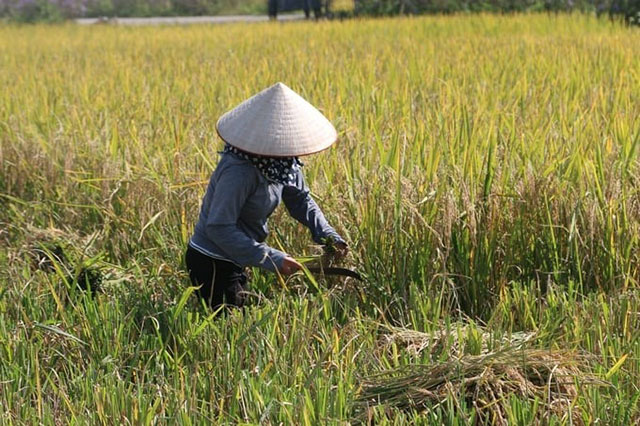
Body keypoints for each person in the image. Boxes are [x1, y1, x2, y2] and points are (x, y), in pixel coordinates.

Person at [185, 82, 348, 311]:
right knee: (230, 327)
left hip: (237, 257)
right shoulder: (239, 171)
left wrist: (328, 236)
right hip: (212, 260)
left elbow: (300, 200)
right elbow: (219, 227)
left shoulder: (283, 163)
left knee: (237, 318)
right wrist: (271, 258)